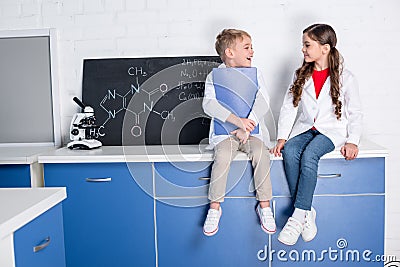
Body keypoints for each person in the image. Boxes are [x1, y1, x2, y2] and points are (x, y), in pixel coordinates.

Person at [271, 23, 363, 245]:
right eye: (303, 45)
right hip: (305, 127)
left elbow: (355, 111)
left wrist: (353, 141)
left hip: (332, 131)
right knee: (291, 150)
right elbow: (289, 107)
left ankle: (297, 214)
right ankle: (305, 212)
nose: (303, 50)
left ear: (325, 48)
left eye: (307, 45)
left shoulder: (346, 77)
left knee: (310, 155)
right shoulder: (300, 74)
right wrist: (283, 137)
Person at [202, 28, 276, 236]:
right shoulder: (214, 76)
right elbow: (209, 104)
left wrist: (248, 124)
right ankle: (215, 208)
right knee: (223, 155)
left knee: (261, 154)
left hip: (252, 133)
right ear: (230, 53)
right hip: (226, 133)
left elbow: (263, 100)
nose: (252, 51)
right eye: (247, 47)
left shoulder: (256, 74)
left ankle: (265, 206)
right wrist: (237, 122)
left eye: (251, 46)